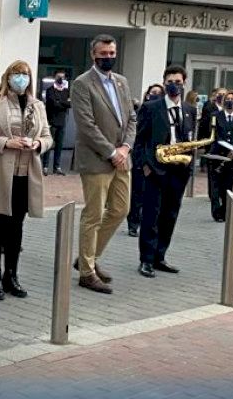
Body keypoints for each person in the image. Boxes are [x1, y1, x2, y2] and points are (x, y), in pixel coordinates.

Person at [0, 60, 51, 300]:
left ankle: (11, 276)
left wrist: (37, 144)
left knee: (16, 229)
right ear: (8, 76)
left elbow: (48, 136)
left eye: (25, 74)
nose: (21, 78)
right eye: (17, 73)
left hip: (25, 175)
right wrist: (7, 143)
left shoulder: (37, 105)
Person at [69, 36, 135, 293]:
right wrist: (111, 152)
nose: (108, 57)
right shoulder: (82, 84)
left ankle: (88, 256)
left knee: (120, 209)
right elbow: (86, 125)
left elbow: (131, 118)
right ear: (93, 55)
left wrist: (125, 148)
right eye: (103, 53)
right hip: (97, 160)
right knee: (94, 214)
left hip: (122, 158)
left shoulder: (122, 82)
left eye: (112, 53)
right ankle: (87, 272)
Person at [135, 65, 194, 278]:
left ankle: (160, 256)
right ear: (164, 82)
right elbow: (140, 140)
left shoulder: (189, 109)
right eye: (170, 82)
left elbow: (189, 138)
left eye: (178, 82)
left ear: (184, 83)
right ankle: (146, 259)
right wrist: (145, 166)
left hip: (179, 170)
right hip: (155, 169)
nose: (174, 85)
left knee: (170, 215)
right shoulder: (151, 107)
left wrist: (189, 164)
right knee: (151, 215)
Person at [127, 84, 163, 237]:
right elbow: (138, 138)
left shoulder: (164, 113)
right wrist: (141, 161)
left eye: (159, 93)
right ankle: (133, 223)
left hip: (158, 159)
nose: (155, 95)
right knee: (137, 193)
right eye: (153, 92)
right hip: (142, 158)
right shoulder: (142, 111)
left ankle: (148, 223)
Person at [207, 90, 233, 223]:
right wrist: (226, 148)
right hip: (217, 155)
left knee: (228, 186)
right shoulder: (215, 116)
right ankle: (216, 212)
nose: (230, 101)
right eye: (228, 99)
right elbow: (214, 134)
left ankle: (224, 211)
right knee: (215, 186)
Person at [42, 70, 71, 176]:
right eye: (59, 77)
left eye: (63, 77)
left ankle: (57, 167)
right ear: (55, 77)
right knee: (49, 145)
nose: (61, 79)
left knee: (59, 145)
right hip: (51, 121)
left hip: (62, 122)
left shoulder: (66, 91)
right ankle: (45, 167)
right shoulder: (50, 90)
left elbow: (70, 104)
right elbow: (52, 103)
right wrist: (62, 103)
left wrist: (59, 102)